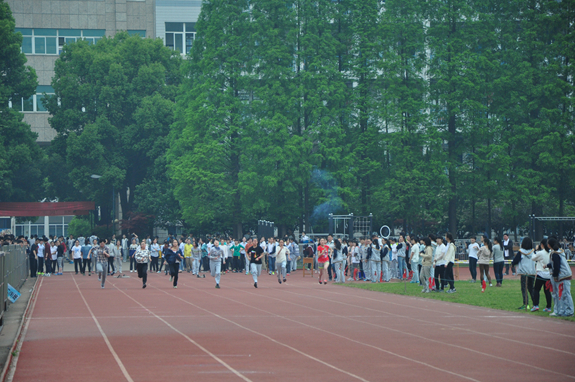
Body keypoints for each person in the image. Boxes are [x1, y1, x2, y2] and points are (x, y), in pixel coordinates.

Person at [546, 237, 573, 317]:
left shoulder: (555, 254)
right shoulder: (558, 252)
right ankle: (563, 310)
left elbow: (557, 266)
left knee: (565, 294)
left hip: (563, 275)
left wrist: (555, 275)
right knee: (562, 294)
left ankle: (569, 311)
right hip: (563, 275)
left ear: (550, 245)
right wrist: (547, 265)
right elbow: (555, 264)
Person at [512, 237, 535, 310]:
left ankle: (526, 304)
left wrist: (512, 264)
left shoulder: (521, 252)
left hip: (524, 273)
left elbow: (515, 261)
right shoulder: (533, 252)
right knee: (531, 288)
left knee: (524, 288)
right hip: (532, 272)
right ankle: (535, 304)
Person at [531, 239, 552, 312]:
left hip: (541, 274)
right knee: (547, 291)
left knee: (536, 289)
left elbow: (533, 258)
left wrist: (535, 250)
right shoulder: (550, 252)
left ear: (542, 244)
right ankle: (549, 307)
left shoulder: (541, 253)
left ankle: (536, 305)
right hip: (548, 274)